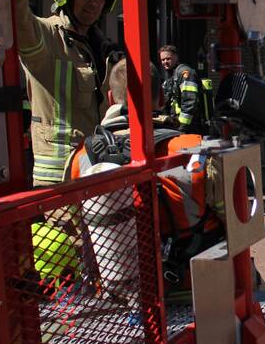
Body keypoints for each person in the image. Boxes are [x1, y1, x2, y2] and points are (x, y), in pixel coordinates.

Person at [66, 58, 224, 288]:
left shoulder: (81, 157)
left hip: (120, 290)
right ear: (161, 96)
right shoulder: (195, 148)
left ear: (110, 98)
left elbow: (82, 224)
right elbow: (232, 216)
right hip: (193, 285)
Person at [14, 0, 119, 186]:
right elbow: (20, 18)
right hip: (58, 177)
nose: (95, 2)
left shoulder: (100, 48)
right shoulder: (47, 35)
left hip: (93, 165)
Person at [159, 45, 204, 132]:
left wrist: (182, 127)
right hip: (176, 124)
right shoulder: (171, 76)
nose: (165, 62)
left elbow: (189, 101)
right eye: (163, 60)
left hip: (189, 127)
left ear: (176, 57)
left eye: (168, 58)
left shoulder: (185, 73)